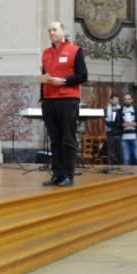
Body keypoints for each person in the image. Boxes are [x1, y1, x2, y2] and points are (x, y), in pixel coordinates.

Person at [38, 21, 87, 187]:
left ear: (63, 31)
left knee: (69, 140)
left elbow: (83, 76)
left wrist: (64, 81)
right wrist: (42, 96)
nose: (51, 32)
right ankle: (57, 175)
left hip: (68, 99)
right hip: (49, 101)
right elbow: (44, 75)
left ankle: (68, 175)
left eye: (54, 29)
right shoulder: (45, 53)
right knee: (55, 141)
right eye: (49, 30)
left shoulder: (75, 51)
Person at [118, 92, 137, 165]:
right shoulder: (120, 110)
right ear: (124, 100)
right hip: (124, 138)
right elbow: (116, 124)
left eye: (129, 99)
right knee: (126, 159)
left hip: (135, 137)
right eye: (125, 99)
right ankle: (127, 174)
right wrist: (122, 124)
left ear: (132, 100)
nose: (127, 101)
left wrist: (135, 124)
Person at [103, 93, 123, 166]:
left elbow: (121, 121)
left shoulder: (121, 110)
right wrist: (114, 124)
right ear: (111, 100)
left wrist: (113, 123)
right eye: (114, 99)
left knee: (120, 152)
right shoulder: (106, 110)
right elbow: (106, 122)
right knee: (110, 152)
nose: (116, 101)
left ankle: (120, 166)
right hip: (110, 133)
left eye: (117, 99)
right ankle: (110, 165)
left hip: (119, 133)